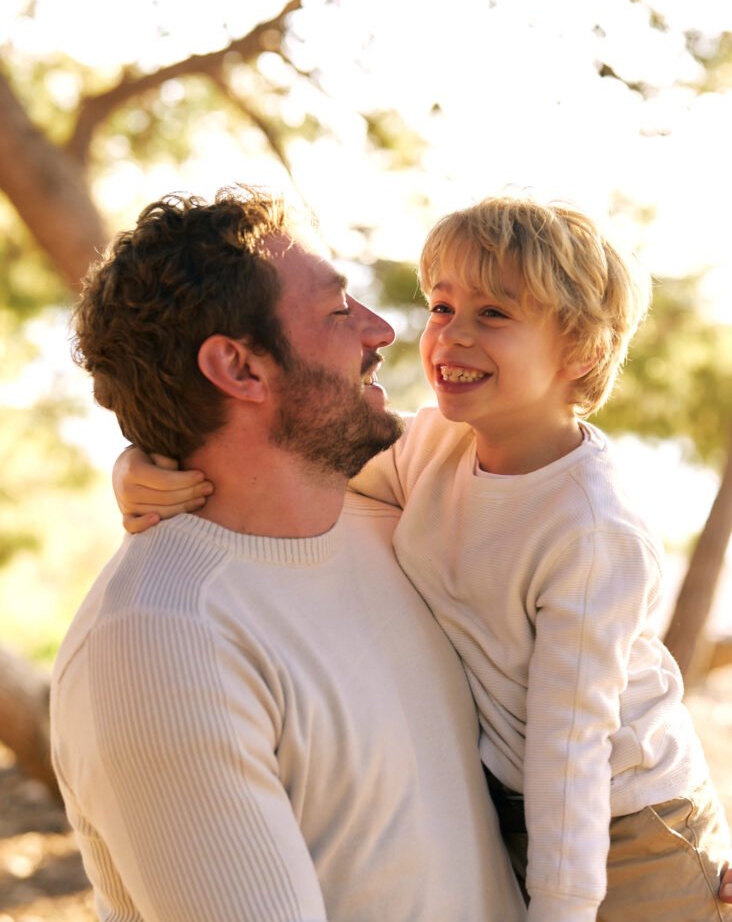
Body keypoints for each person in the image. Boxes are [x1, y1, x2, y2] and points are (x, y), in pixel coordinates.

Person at [116, 194, 732, 921]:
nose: (450, 337)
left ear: (583, 352)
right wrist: (142, 463)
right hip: (528, 813)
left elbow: (574, 742)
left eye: (493, 314)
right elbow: (281, 461)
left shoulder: (590, 528)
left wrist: (561, 910)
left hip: (628, 829)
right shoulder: (433, 446)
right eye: (441, 308)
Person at [50, 187, 527, 922]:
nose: (381, 330)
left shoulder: (405, 526)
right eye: (339, 310)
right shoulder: (161, 640)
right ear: (240, 369)